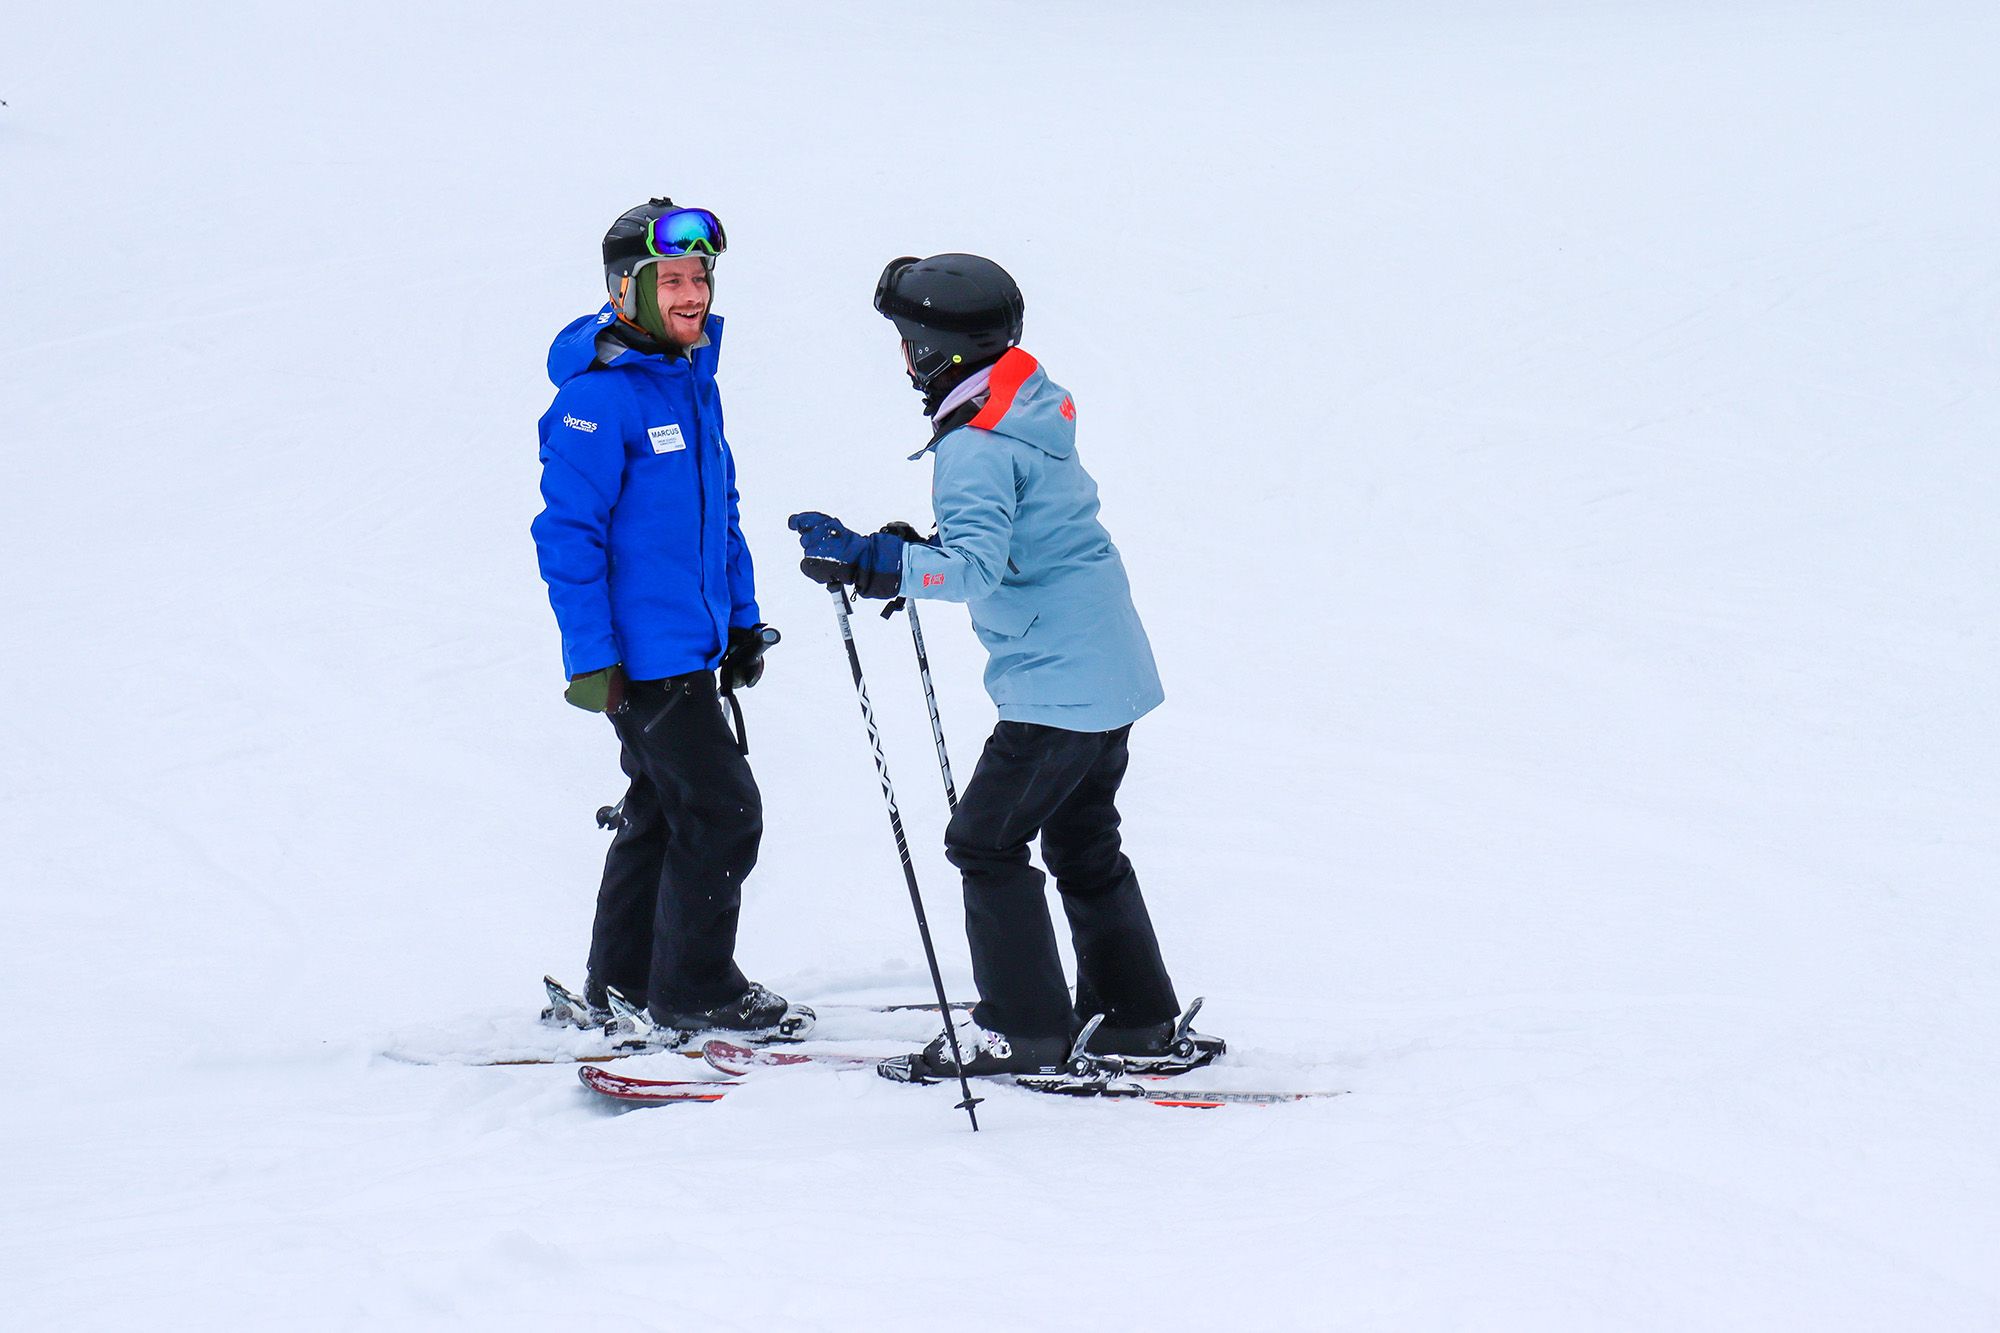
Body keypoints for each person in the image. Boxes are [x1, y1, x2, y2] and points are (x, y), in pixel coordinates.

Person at [787, 253, 1214, 1079]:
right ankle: (1134, 1018)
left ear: (934, 352)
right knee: (1083, 844)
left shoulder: (976, 446)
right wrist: (910, 552)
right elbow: (1013, 538)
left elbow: (975, 570)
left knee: (983, 843)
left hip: (1056, 687)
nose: (901, 357)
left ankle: (1022, 1027)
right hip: (1107, 668)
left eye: (906, 340)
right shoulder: (1026, 407)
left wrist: (880, 565)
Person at [530, 196, 804, 1041]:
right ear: (627, 292)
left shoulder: (690, 380)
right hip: (643, 659)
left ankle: (622, 979)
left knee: (661, 808)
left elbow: (720, 514)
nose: (692, 295)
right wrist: (592, 657)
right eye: (671, 281)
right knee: (723, 813)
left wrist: (743, 620)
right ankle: (694, 990)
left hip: (692, 645)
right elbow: (568, 537)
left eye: (699, 278)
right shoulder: (596, 401)